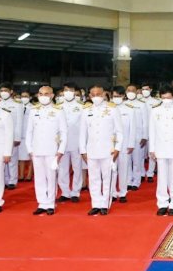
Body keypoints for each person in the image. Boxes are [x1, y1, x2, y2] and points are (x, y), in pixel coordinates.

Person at [79, 85, 123, 216]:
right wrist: (83, 150)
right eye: (93, 94)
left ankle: (105, 204)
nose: (96, 96)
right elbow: (82, 133)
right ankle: (96, 204)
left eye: (98, 94)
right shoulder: (86, 110)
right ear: (90, 96)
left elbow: (119, 131)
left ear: (104, 94)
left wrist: (117, 148)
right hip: (91, 150)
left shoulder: (112, 109)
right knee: (93, 178)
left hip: (108, 150)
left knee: (107, 177)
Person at [25, 86, 67, 215]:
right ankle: (41, 203)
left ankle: (50, 204)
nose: (43, 96)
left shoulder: (58, 111)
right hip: (37, 150)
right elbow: (29, 132)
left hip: (52, 150)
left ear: (52, 95)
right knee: (39, 178)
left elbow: (63, 132)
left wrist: (60, 150)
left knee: (51, 177)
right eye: (41, 94)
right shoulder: (33, 110)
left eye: (46, 94)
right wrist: (30, 149)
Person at [149, 84, 173, 216]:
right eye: (163, 97)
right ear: (160, 97)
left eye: (168, 97)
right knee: (162, 177)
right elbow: (152, 131)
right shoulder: (155, 110)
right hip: (160, 148)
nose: (166, 99)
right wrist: (152, 149)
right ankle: (162, 203)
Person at [58, 82, 85, 203]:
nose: (68, 92)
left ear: (75, 92)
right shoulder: (57, 106)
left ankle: (75, 192)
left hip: (77, 141)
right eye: (66, 90)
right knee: (62, 169)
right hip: (62, 143)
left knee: (77, 168)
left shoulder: (81, 106)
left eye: (71, 90)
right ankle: (65, 192)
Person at [110, 86, 137, 204]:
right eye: (114, 96)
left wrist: (131, 144)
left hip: (125, 144)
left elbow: (133, 128)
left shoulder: (130, 109)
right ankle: (112, 192)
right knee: (112, 169)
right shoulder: (108, 109)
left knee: (123, 169)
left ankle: (122, 192)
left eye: (119, 96)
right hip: (111, 144)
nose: (116, 98)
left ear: (123, 96)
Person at [0, 82, 24, 190]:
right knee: (1, 160)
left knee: (12, 159)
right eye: (2, 91)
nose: (3, 93)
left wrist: (17, 137)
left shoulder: (17, 104)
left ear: (11, 92)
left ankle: (12, 180)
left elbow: (19, 122)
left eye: (6, 91)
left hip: (12, 135)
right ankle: (3, 179)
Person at [123, 84, 148, 190]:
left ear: (137, 92)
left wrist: (145, 136)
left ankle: (136, 181)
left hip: (138, 137)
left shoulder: (142, 104)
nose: (131, 92)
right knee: (127, 161)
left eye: (133, 90)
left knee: (137, 160)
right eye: (128, 90)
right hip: (126, 137)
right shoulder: (123, 104)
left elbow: (145, 121)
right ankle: (128, 181)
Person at [17, 90, 33, 182]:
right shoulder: (18, 106)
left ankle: (29, 175)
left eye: (26, 96)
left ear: (30, 97)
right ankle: (21, 175)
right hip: (21, 135)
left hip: (30, 135)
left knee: (31, 156)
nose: (24, 98)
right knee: (21, 157)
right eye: (22, 96)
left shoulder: (33, 107)